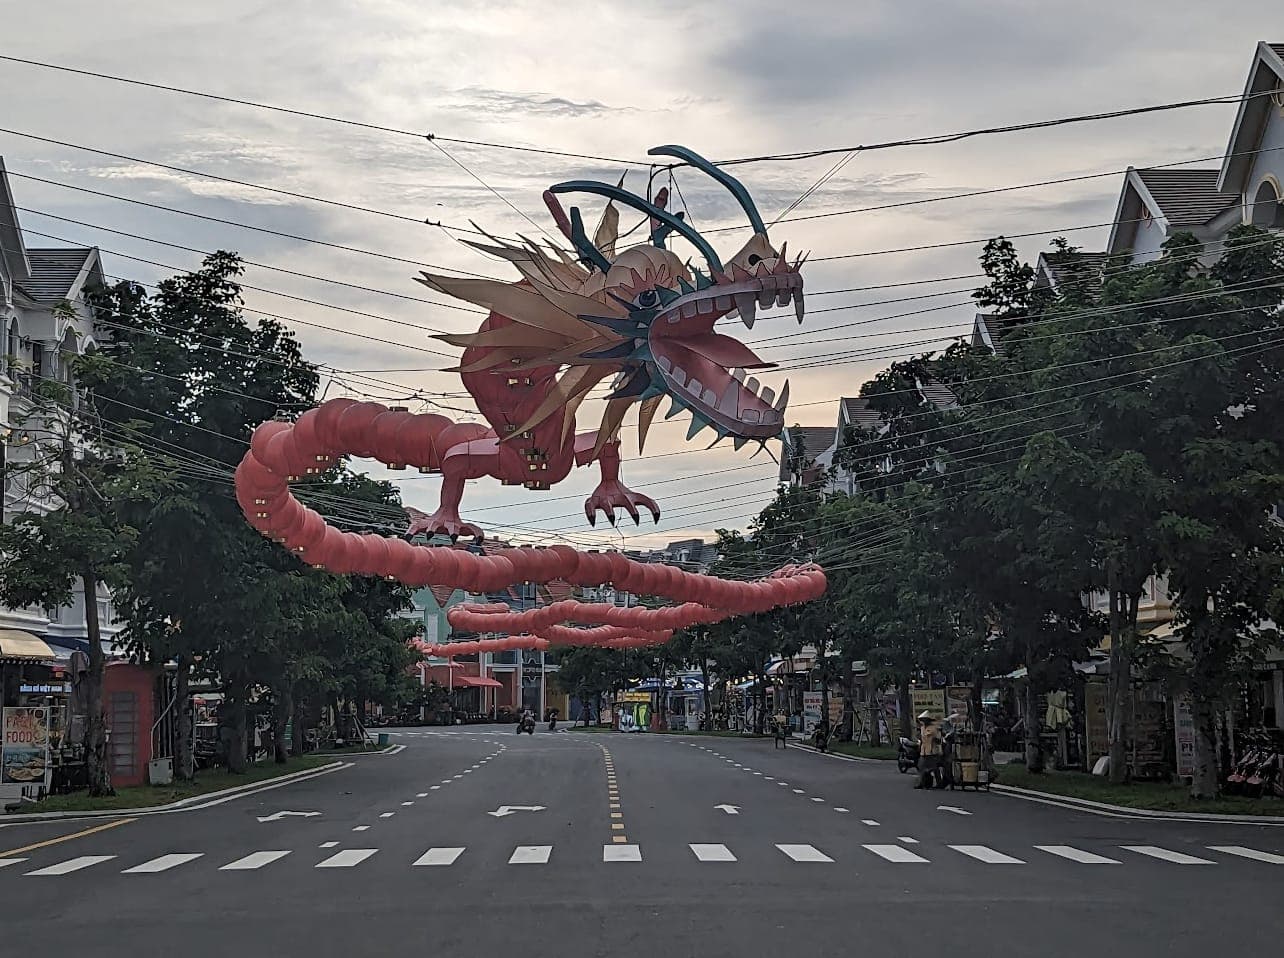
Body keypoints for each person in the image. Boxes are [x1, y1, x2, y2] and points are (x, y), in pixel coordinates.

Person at [914, 711, 944, 789]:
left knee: (934, 768)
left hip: (932, 751)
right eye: (922, 719)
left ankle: (939, 783)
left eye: (925, 719)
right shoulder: (922, 728)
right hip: (923, 751)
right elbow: (921, 738)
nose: (923, 721)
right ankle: (921, 782)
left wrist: (935, 739)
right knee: (921, 767)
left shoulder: (934, 728)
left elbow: (939, 740)